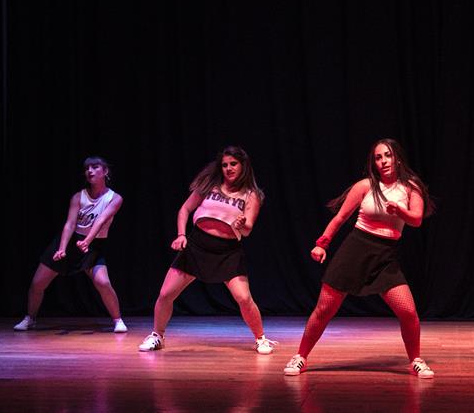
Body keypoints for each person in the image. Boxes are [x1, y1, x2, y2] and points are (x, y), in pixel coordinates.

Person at [284, 139, 435, 378]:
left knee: (408, 311)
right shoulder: (365, 186)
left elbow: (416, 219)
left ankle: (416, 360)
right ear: (373, 163)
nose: (383, 161)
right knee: (324, 309)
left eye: (388, 155)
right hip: (355, 250)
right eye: (378, 157)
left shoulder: (410, 187)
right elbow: (340, 218)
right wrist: (321, 244)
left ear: (397, 158)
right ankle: (300, 357)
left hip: (385, 255)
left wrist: (400, 211)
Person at [138, 146, 276, 354]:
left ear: (243, 166)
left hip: (227, 251)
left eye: (233, 164)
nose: (228, 168)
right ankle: (157, 335)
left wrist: (241, 225)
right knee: (166, 293)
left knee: (244, 298)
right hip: (197, 245)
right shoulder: (209, 185)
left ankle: (261, 339)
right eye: (225, 165)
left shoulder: (251, 195)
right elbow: (185, 209)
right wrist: (181, 235)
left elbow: (247, 230)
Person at [15, 156, 126, 333]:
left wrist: (87, 241)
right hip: (71, 240)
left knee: (103, 282)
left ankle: (118, 320)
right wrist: (62, 248)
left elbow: (101, 220)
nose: (89, 171)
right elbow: (70, 224)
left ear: (105, 171)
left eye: (95, 167)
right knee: (37, 283)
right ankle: (30, 318)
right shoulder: (78, 197)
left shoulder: (115, 198)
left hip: (93, 244)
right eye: (87, 168)